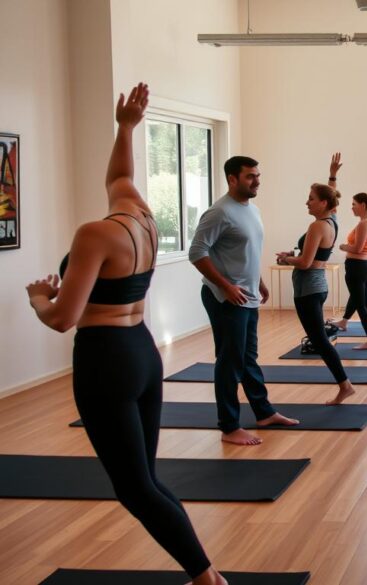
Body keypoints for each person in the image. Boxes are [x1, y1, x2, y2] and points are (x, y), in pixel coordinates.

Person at [26, 83, 228, 585]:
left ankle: (208, 579)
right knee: (147, 480)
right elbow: (120, 173)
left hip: (105, 360)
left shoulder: (94, 234)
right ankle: (205, 574)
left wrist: (38, 298)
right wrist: (126, 128)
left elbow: (62, 318)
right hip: (142, 353)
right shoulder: (143, 218)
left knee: (134, 489)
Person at [191, 156, 298, 446]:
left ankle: (263, 413)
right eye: (250, 176)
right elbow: (196, 253)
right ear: (232, 179)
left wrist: (259, 281)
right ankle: (229, 427)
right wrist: (226, 287)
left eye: (258, 175)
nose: (257, 181)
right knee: (229, 362)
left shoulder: (252, 210)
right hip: (226, 298)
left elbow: (247, 253)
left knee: (247, 357)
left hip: (247, 295)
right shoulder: (219, 212)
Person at [275, 181, 356, 406]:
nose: (307, 202)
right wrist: (332, 176)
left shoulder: (317, 226)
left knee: (319, 340)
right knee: (319, 339)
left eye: (311, 198)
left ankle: (345, 386)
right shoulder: (332, 221)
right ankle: (345, 386)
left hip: (308, 288)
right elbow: (309, 254)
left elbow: (305, 262)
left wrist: (286, 259)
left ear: (323, 203)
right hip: (316, 287)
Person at [340, 192, 367, 349]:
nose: (351, 207)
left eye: (354, 204)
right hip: (365, 267)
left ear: (363, 205)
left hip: (357, 267)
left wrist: (343, 246)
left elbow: (357, 248)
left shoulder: (363, 224)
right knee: (365, 303)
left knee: (361, 305)